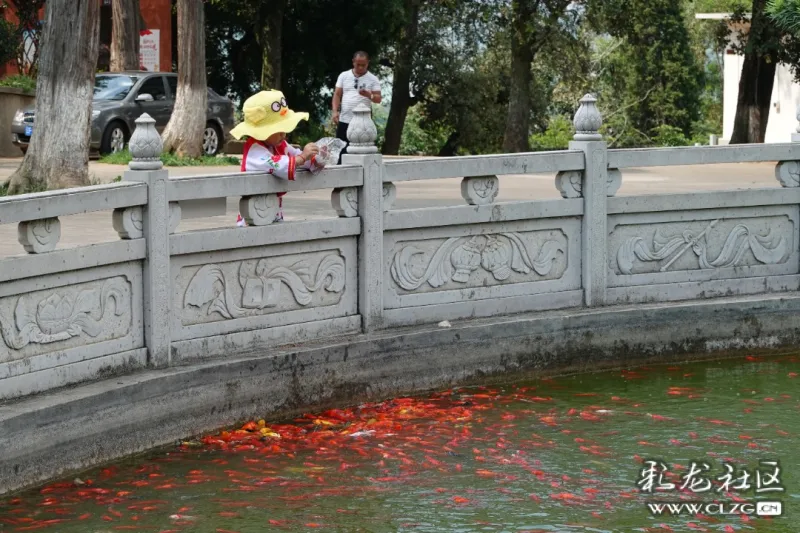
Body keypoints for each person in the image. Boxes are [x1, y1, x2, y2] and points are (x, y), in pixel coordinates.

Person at [230, 90, 323, 224]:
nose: (283, 135)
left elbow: (294, 154)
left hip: (273, 208)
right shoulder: (254, 150)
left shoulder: (279, 144)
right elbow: (276, 164)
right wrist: (303, 157)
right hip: (255, 212)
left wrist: (314, 158)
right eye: (278, 130)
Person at [332, 51, 382, 161]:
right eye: (358, 64)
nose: (360, 67)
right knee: (341, 150)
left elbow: (378, 99)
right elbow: (337, 94)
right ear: (353, 62)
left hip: (362, 122)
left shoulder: (373, 79)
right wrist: (335, 111)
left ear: (368, 63)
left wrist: (369, 95)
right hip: (345, 119)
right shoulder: (344, 75)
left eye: (363, 65)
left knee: (361, 152)